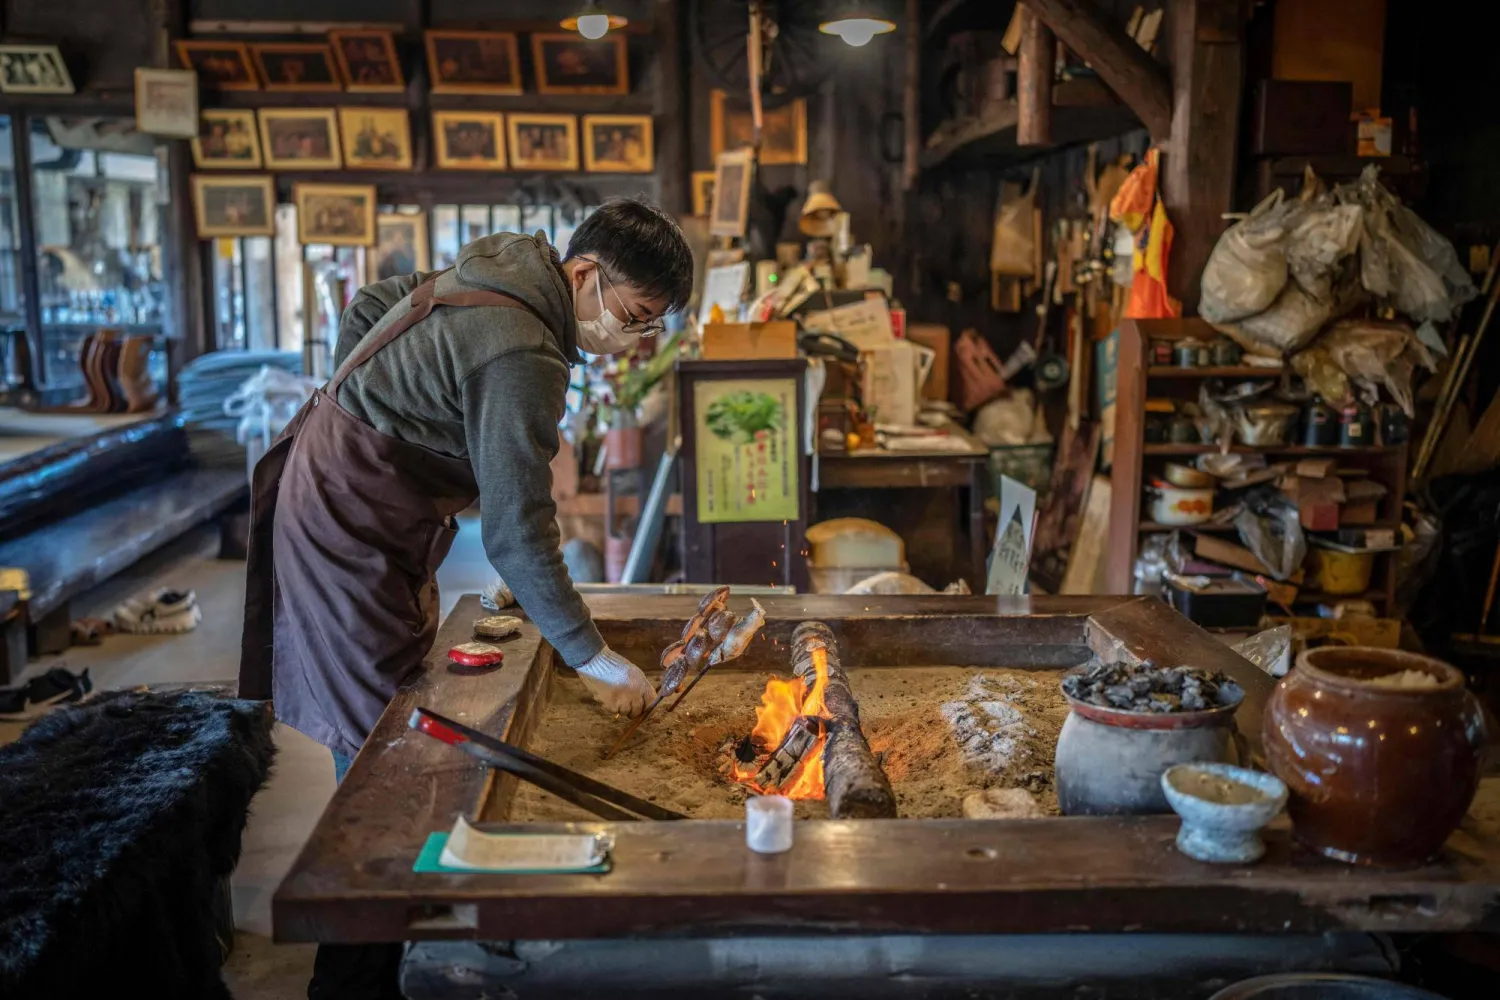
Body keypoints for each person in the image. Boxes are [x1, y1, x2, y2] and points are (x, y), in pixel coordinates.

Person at [238, 198, 693, 1000]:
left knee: (395, 723)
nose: (636, 337)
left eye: (652, 325)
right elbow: (519, 532)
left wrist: (369, 401)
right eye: (635, 315)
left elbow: (375, 303)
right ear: (585, 275)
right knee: (388, 761)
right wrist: (591, 655)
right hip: (350, 518)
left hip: (347, 483)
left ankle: (378, 945)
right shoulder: (524, 348)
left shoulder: (513, 263)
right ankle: (356, 976)